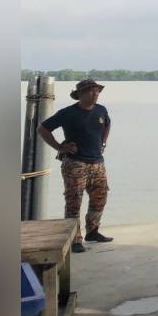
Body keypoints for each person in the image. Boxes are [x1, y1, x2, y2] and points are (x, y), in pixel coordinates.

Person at [37, 79, 114, 253]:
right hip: (75, 163)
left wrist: (103, 143)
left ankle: (92, 231)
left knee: (100, 198)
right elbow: (42, 129)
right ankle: (75, 239)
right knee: (74, 202)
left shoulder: (101, 110)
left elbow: (107, 124)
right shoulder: (68, 113)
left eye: (97, 91)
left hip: (97, 163)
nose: (95, 94)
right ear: (79, 94)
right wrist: (59, 147)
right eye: (90, 91)